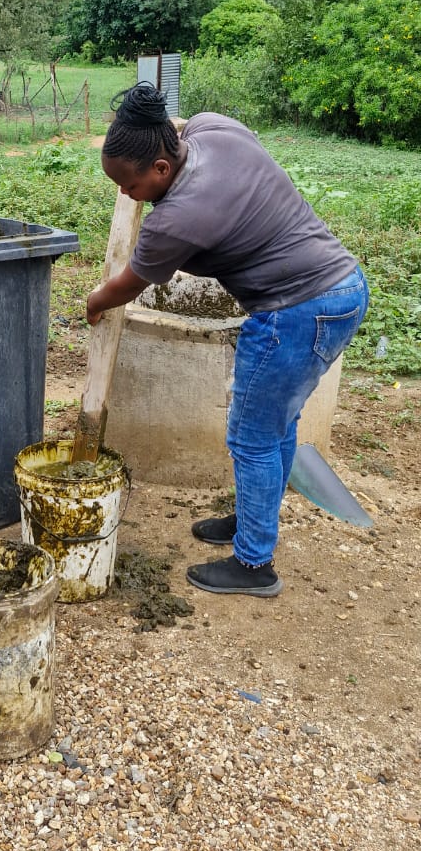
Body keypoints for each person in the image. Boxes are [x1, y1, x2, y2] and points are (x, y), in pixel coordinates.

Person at [86, 83, 369, 598]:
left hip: (296, 311)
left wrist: (97, 300)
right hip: (343, 289)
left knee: (252, 436)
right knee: (277, 424)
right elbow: (177, 125)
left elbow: (130, 283)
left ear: (161, 168)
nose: (125, 195)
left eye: (128, 185)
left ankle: (254, 565)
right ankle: (251, 519)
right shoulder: (213, 128)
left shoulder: (176, 218)